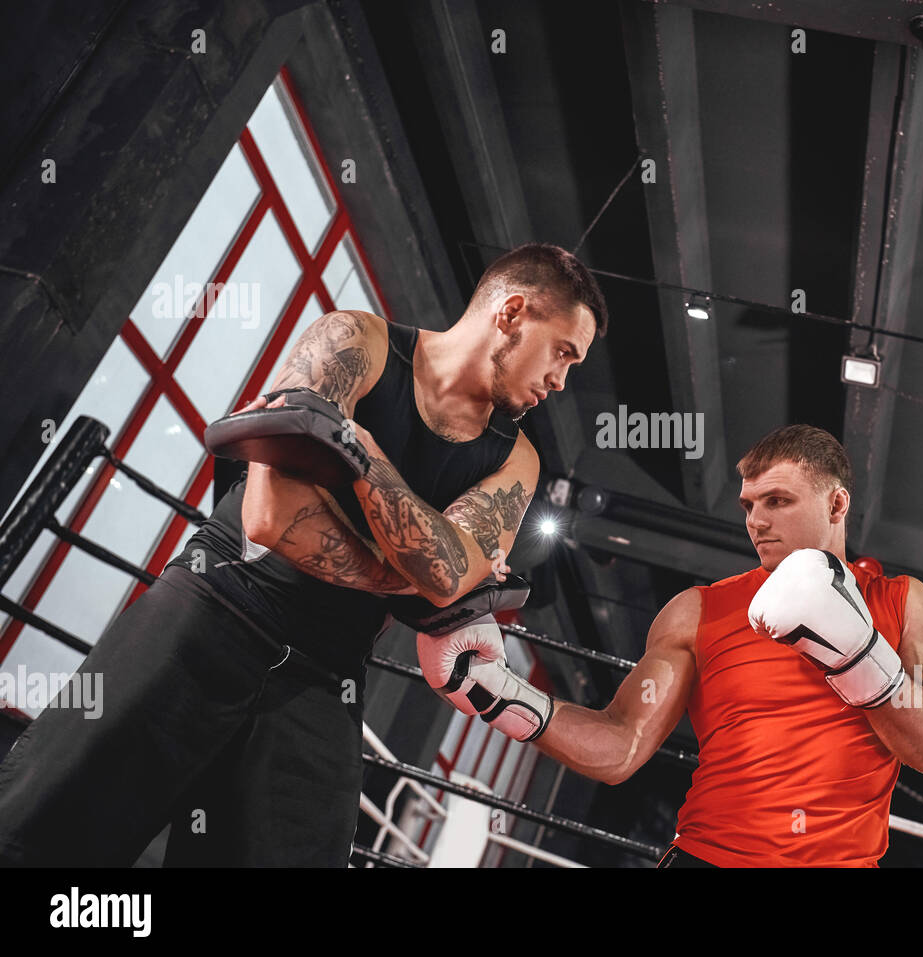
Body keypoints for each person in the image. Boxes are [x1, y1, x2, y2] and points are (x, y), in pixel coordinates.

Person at [0, 242, 606, 867]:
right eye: (564, 351)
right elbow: (271, 520)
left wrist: (358, 452)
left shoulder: (516, 459)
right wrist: (406, 575)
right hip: (215, 605)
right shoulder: (354, 343)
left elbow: (447, 575)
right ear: (512, 312)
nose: (562, 380)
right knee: (45, 831)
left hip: (325, 672)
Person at [436, 425, 923, 867]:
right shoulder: (698, 611)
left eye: (778, 501)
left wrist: (860, 655)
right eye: (749, 505)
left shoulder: (901, 600)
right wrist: (499, 694)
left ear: (837, 503)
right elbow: (621, 745)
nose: (757, 521)